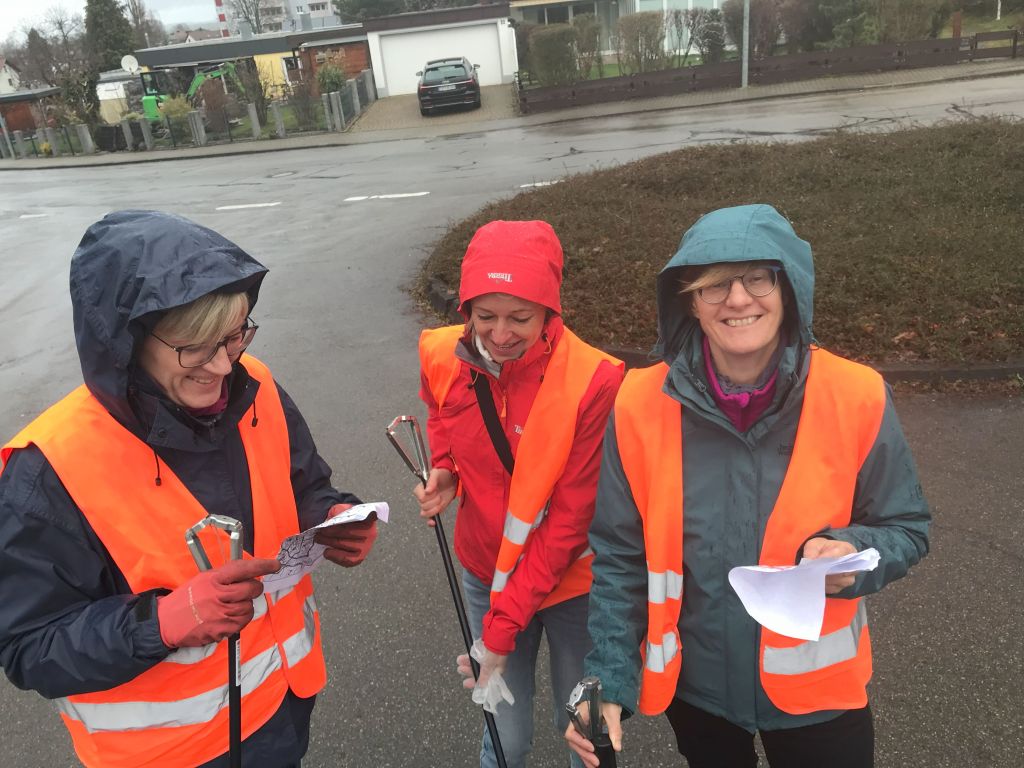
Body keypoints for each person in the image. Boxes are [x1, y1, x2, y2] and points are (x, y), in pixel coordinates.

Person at [0, 210, 378, 768]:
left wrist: (334, 515)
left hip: (282, 706)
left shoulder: (257, 387)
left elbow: (303, 483)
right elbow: (31, 647)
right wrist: (160, 623)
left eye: (235, 336)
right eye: (196, 346)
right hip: (170, 753)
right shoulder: (47, 469)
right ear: (128, 342)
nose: (223, 365)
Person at [565, 204, 931, 768]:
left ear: (789, 290)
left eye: (758, 278)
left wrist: (854, 551)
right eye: (714, 285)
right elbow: (619, 554)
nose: (737, 299)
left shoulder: (856, 395)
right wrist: (608, 678)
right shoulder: (638, 402)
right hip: (698, 693)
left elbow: (906, 527)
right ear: (690, 301)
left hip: (819, 698)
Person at [415, 220, 624, 768]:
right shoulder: (442, 353)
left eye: (520, 318)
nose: (500, 334)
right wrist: (446, 468)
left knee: (583, 729)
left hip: (574, 581)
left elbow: (571, 519)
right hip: (484, 569)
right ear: (466, 309)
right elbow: (439, 408)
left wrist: (502, 628)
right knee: (505, 738)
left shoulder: (593, 379)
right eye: (485, 316)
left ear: (550, 310)